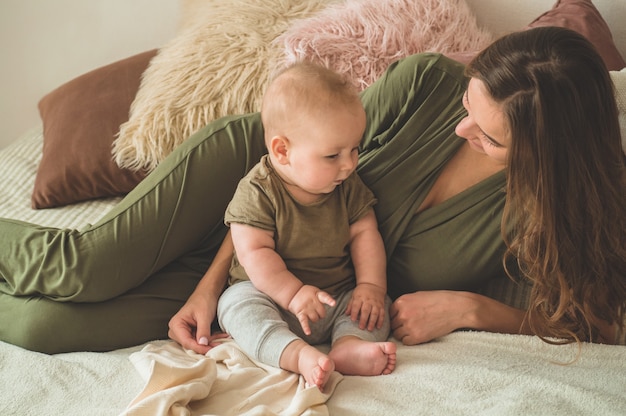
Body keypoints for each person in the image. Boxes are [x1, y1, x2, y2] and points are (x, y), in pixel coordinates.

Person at [0, 27, 623, 355]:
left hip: (285, 284)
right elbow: (279, 172)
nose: (460, 130)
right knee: (84, 269)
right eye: (467, 104)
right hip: (249, 191)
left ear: (547, 157)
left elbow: (598, 319)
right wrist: (208, 283)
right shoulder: (425, 83)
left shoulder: (550, 214)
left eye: (485, 136)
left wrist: (473, 309)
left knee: (43, 329)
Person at [217, 62, 396, 389]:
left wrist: (370, 287)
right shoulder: (258, 190)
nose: (349, 164)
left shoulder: (348, 185)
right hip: (272, 299)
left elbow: (365, 233)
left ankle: (348, 345)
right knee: (234, 304)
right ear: (282, 151)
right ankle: (294, 353)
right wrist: (294, 294)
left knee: (377, 306)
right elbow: (253, 251)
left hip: (335, 298)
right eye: (332, 156)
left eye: (354, 149)